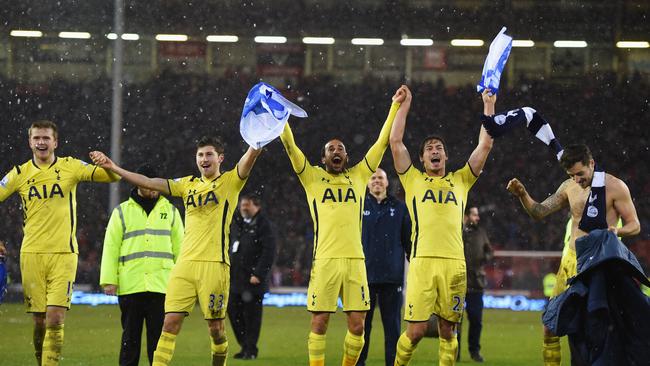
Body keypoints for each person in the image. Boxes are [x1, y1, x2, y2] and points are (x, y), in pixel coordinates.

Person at [90, 135, 262, 366]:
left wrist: (257, 142)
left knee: (216, 329)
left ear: (220, 158)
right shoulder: (186, 185)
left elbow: (248, 159)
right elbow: (149, 182)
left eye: (209, 154)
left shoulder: (231, 181)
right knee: (169, 324)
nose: (204, 159)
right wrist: (114, 168)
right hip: (184, 266)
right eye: (200, 155)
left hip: (214, 265)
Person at [279, 85, 408, 366]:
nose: (336, 151)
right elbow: (290, 147)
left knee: (358, 326)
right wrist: (281, 117)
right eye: (330, 149)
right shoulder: (311, 178)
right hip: (325, 260)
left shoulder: (360, 175)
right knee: (320, 322)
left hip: (355, 262)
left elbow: (382, 142)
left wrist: (394, 107)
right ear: (323, 158)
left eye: (340, 149)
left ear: (346, 157)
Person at [506, 144, 640, 366]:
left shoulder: (615, 186)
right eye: (571, 175)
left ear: (592, 164)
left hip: (598, 266)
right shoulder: (569, 186)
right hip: (570, 263)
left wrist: (618, 231)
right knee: (550, 326)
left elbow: (634, 225)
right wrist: (522, 194)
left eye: (580, 173)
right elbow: (539, 212)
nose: (577, 179)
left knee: (593, 331)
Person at [0, 120, 121, 365]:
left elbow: (113, 177)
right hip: (31, 254)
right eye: (37, 138)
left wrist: (107, 164)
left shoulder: (71, 166)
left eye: (46, 138)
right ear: (30, 142)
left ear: (55, 142)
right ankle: (41, 360)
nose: (41, 142)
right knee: (39, 322)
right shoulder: (19, 173)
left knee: (55, 319)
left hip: (64, 254)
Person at [390, 88, 496, 366]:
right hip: (422, 263)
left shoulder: (461, 180)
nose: (434, 151)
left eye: (439, 149)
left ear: (446, 158)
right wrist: (406, 104)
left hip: (454, 265)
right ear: (422, 160)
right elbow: (395, 141)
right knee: (414, 331)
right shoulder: (412, 180)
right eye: (429, 149)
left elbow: (484, 146)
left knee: (449, 330)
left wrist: (488, 105)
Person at [99, 164, 184, 366]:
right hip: (131, 285)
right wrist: (109, 280)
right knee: (130, 339)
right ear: (138, 183)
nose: (153, 187)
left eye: (156, 184)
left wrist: (183, 282)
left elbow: (181, 248)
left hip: (162, 285)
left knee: (158, 341)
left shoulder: (171, 211)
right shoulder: (121, 212)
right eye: (148, 183)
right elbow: (111, 246)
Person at [357, 168, 411, 366]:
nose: (377, 181)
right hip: (364, 277)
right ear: (367, 183)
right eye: (373, 178)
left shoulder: (400, 208)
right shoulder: (358, 206)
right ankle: (359, 362)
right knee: (361, 328)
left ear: (387, 183)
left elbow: (408, 242)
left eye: (380, 178)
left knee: (393, 328)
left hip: (392, 278)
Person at [227, 193, 276, 360]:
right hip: (236, 279)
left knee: (252, 317)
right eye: (242, 205)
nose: (243, 208)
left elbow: (269, 251)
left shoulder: (264, 225)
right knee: (233, 312)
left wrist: (259, 273)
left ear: (257, 206)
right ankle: (244, 346)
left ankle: (250, 350)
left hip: (253, 281)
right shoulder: (238, 223)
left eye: (247, 205)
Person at [457, 206, 493, 363]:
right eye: (474, 214)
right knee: (454, 321)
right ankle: (454, 351)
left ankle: (474, 351)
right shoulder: (456, 230)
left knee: (476, 320)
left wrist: (485, 258)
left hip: (476, 284)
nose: (477, 218)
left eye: (477, 215)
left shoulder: (481, 232)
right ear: (466, 216)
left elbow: (489, 251)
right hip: (456, 283)